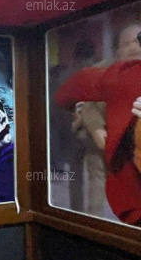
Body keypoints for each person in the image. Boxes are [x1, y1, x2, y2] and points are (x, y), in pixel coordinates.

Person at [55, 24, 141, 225]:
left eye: (137, 42)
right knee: (96, 175)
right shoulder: (103, 69)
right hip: (99, 134)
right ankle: (92, 222)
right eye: (127, 43)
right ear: (118, 50)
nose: (134, 48)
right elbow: (83, 101)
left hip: (131, 139)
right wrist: (96, 128)